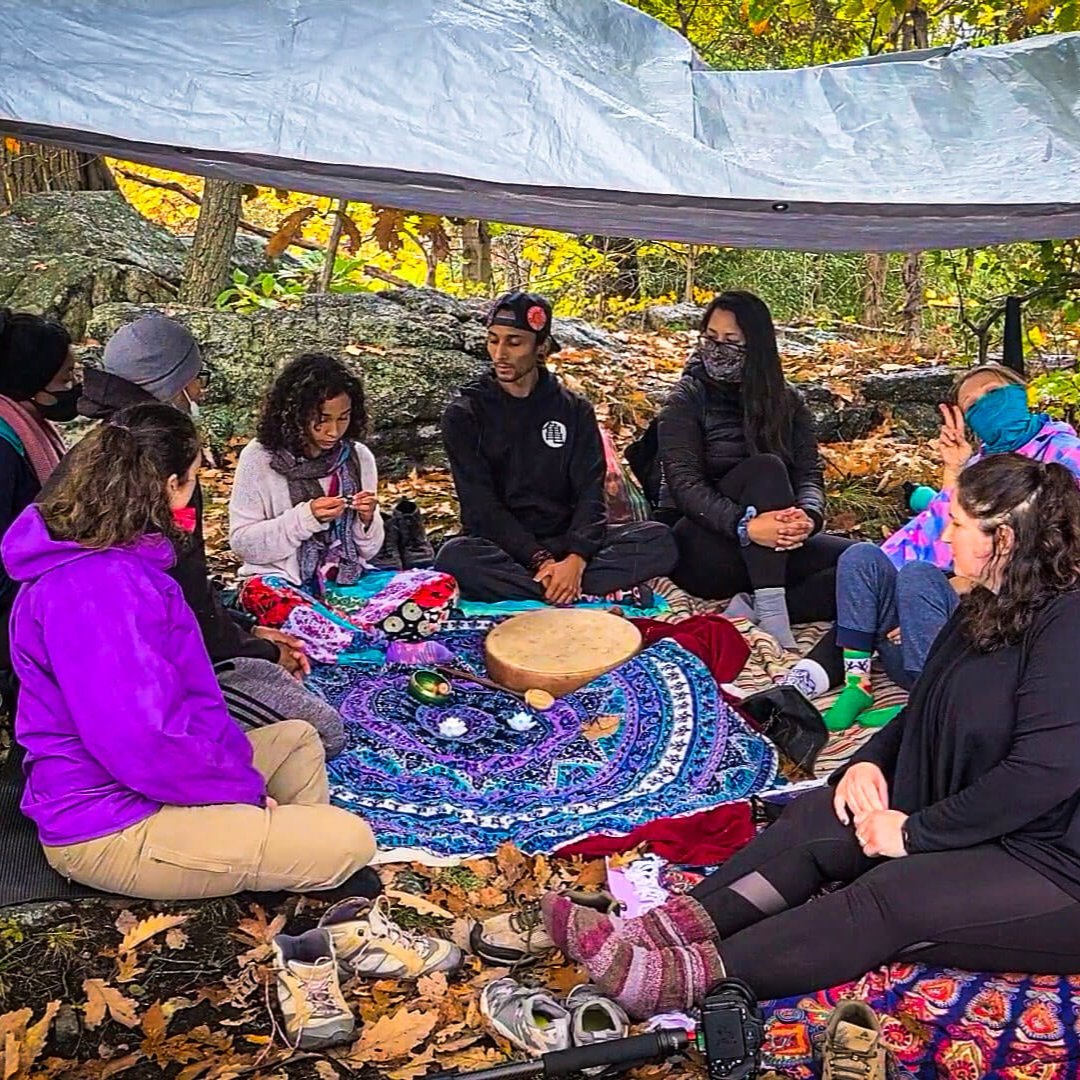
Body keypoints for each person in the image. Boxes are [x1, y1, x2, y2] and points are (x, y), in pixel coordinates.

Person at [543, 453, 1080, 1013]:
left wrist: (915, 834)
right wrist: (866, 765)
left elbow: (1043, 773)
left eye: (960, 524)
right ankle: (667, 929)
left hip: (1055, 862)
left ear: (1006, 540)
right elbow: (924, 708)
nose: (944, 535)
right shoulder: (988, 603)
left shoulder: (1068, 625)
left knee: (888, 895)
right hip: (980, 814)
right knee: (822, 817)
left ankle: (679, 978)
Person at [5, 403, 375, 899]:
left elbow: (181, 707)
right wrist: (237, 795)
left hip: (144, 783)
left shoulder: (117, 564)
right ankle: (300, 876)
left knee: (296, 741)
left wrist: (236, 781)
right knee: (350, 842)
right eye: (194, 478)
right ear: (169, 485)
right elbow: (142, 742)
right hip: (108, 823)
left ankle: (280, 874)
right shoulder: (96, 590)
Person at [47, 315, 344, 754]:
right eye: (195, 379)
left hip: (125, 663)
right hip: (131, 687)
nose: (201, 392)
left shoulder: (96, 450)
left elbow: (184, 595)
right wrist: (256, 650)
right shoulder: (161, 466)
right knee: (319, 729)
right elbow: (182, 603)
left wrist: (246, 632)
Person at [785, 363, 1080, 731]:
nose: (983, 406)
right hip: (918, 635)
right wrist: (955, 469)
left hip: (984, 627)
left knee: (916, 576)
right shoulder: (980, 460)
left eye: (992, 393)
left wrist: (961, 585)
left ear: (1022, 391)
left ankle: (925, 707)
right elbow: (938, 532)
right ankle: (855, 682)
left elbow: (1049, 560)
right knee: (859, 557)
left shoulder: (1063, 456)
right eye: (971, 405)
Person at [435, 291, 676, 605]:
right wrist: (542, 561)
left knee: (659, 540)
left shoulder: (574, 411)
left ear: (542, 347)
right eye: (493, 340)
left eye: (514, 342)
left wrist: (576, 557)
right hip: (508, 546)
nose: (500, 354)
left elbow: (591, 493)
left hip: (568, 540)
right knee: (454, 558)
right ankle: (570, 589)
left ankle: (556, 586)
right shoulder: (466, 414)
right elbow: (481, 508)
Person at [657, 290, 853, 649]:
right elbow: (685, 486)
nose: (718, 349)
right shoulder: (687, 397)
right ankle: (774, 613)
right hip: (704, 544)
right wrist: (745, 526)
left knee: (859, 564)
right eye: (711, 338)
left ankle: (750, 608)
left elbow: (809, 473)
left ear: (757, 345)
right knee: (766, 469)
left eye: (731, 341)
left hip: (771, 547)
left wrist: (809, 518)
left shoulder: (788, 401)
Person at [0, 309, 78, 689]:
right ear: (31, 383)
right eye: (66, 378)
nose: (74, 386)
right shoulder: (5, 448)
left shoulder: (33, 430)